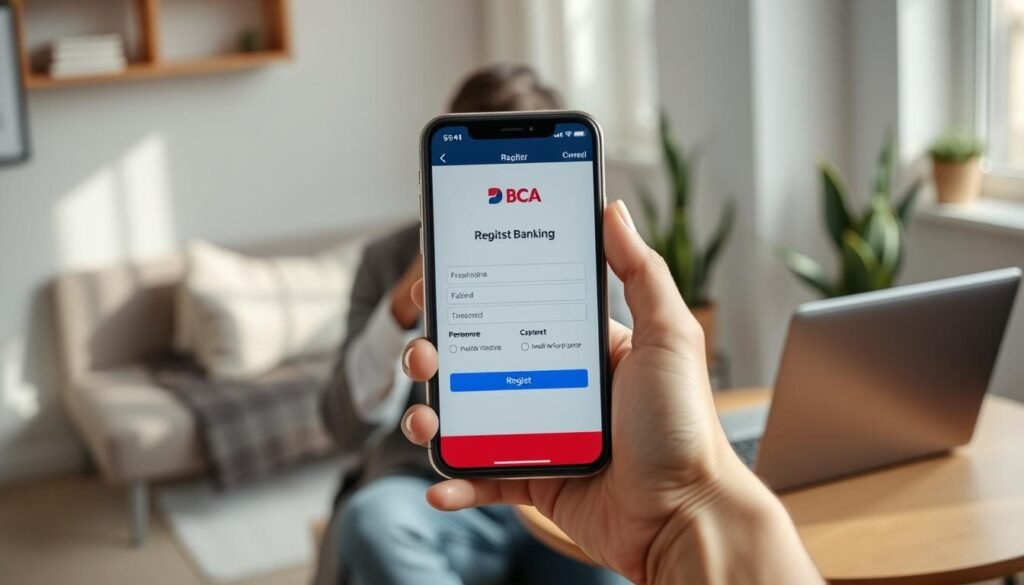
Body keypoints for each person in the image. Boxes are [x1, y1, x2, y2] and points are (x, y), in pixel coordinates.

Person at [398, 201, 825, 585]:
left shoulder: (581, 259)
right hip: (433, 480)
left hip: (586, 486)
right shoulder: (399, 259)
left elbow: (612, 354)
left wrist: (679, 517)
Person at [318, 64, 625, 585]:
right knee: (371, 521)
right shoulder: (385, 260)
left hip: (564, 491)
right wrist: (401, 307)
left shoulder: (591, 251)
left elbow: (621, 387)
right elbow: (342, 426)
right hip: (433, 490)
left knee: (616, 567)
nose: (506, 195)